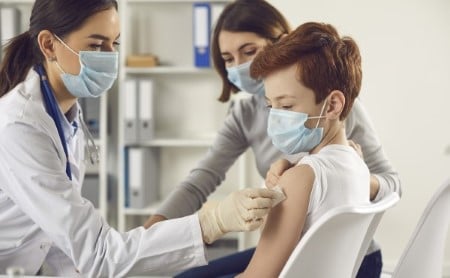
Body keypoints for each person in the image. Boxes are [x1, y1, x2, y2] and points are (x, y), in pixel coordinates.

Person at [0, 0, 284, 276]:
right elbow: (96, 252)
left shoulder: (64, 114)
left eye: (114, 44)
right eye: (96, 46)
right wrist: (212, 222)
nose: (110, 57)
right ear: (49, 44)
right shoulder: (20, 125)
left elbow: (62, 239)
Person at [147, 0, 401, 277]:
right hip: (307, 250)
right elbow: (201, 179)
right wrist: (147, 238)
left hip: (352, 256)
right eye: (229, 59)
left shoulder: (334, 106)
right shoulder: (245, 115)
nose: (241, 66)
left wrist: (329, 176)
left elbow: (391, 184)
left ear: (280, 43)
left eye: (249, 51)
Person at [234, 21, 370, 277]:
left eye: (286, 107)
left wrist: (294, 177)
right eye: (270, 105)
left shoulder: (301, 179)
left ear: (332, 106)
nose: (274, 118)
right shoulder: (357, 162)